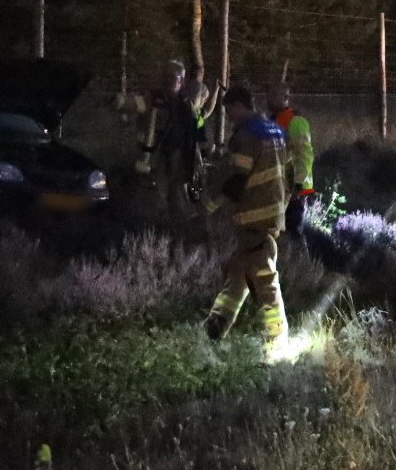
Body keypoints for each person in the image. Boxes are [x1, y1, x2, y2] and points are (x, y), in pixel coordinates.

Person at [203, 86, 290, 353]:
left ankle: (276, 342)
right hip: (273, 210)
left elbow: (239, 180)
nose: (229, 117)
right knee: (238, 272)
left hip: (254, 216)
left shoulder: (246, 135)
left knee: (264, 278)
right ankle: (215, 328)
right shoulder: (274, 130)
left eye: (229, 110)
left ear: (239, 105)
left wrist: (208, 205)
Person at [116, 61, 211, 221]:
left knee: (178, 195)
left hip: (179, 156)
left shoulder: (185, 102)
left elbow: (196, 124)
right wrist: (121, 102)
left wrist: (199, 154)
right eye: (169, 78)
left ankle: (178, 227)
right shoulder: (155, 97)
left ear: (182, 81)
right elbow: (137, 103)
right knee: (156, 195)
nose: (172, 82)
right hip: (156, 154)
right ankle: (156, 225)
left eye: (175, 79)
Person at [266, 83, 315, 238]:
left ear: (285, 98)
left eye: (274, 96)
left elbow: (304, 155)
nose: (269, 99)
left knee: (292, 231)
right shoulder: (273, 122)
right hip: (281, 186)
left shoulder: (295, 122)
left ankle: (300, 259)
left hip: (294, 188)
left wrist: (298, 183)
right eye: (269, 95)